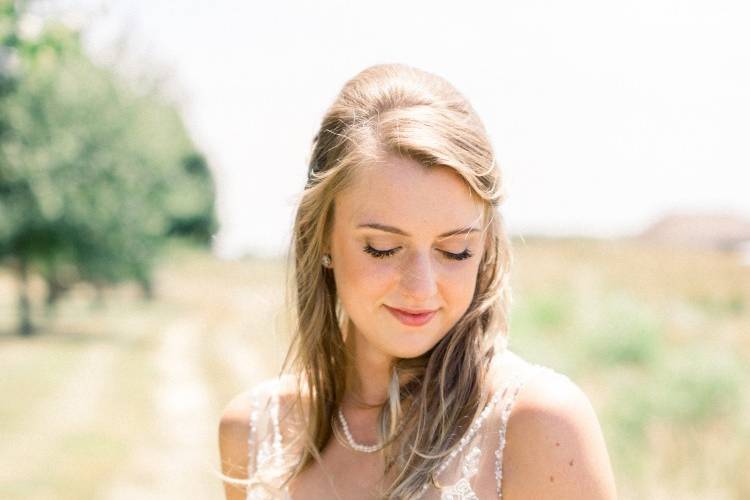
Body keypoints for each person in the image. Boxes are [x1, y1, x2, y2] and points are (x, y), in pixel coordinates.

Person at [217, 63, 618, 499]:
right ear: (322, 238)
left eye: (455, 251)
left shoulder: (538, 426)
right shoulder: (254, 433)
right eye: (383, 248)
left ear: (484, 247)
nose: (422, 287)